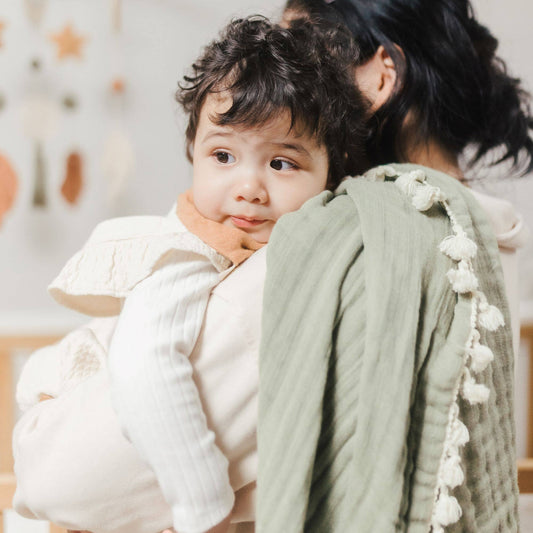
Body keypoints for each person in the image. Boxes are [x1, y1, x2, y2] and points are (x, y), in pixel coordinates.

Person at [13, 1, 531, 532]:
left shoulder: (354, 242)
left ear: (378, 79)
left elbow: (59, 481)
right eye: (222, 155)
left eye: (307, 52)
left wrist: (210, 508)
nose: (289, 75)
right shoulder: (481, 245)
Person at [13, 15, 367, 533]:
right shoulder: (186, 254)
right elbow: (145, 369)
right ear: (193, 155)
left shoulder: (290, 249)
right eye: (223, 155)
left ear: (330, 173)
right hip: (78, 412)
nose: (249, 187)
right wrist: (203, 507)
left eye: (282, 164)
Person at [255, 1, 531, 532]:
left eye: (300, 65)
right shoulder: (487, 237)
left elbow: (73, 478)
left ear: (382, 77)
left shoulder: (343, 247)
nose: (282, 91)